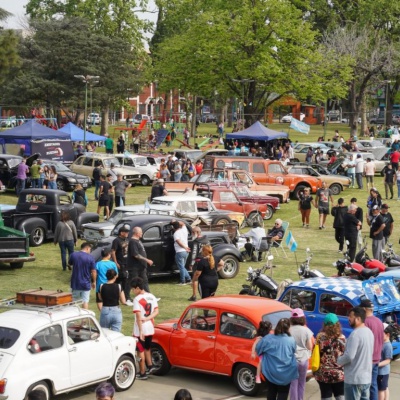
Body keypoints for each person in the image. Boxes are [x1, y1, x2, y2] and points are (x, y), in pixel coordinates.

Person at [256, 318, 298, 400]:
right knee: (283, 393)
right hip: (286, 373)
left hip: (270, 372)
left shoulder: (268, 338)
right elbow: (293, 351)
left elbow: (258, 350)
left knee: (271, 392)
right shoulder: (291, 340)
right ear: (288, 328)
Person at [337, 307, 374, 400]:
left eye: (350, 316)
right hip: (366, 378)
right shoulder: (369, 332)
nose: (348, 319)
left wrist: (339, 360)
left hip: (354, 379)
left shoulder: (355, 334)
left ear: (358, 319)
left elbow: (349, 356)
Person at [131, 276, 159, 380]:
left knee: (140, 351)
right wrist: (148, 319)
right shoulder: (151, 296)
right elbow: (156, 311)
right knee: (147, 348)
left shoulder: (137, 299)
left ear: (138, 288)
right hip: (150, 327)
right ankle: (150, 366)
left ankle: (142, 372)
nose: (132, 291)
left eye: (133, 289)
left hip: (141, 329)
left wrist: (141, 330)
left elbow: (138, 316)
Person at [314, 313, 346, 400]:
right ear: (337, 324)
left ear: (325, 324)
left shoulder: (319, 337)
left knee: (326, 396)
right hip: (339, 373)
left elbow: (315, 353)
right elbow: (345, 354)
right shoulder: (342, 338)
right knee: (340, 396)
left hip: (323, 373)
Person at [360, 298, 384, 400]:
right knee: (373, 385)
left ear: (365, 309)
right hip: (377, 357)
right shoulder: (379, 321)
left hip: (367, 358)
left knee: (364, 386)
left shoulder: (365, 322)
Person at [289, 309, 313, 400]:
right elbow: (310, 346)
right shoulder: (306, 330)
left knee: (293, 384)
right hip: (303, 360)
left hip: (292, 360)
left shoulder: (289, 330)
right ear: (302, 318)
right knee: (302, 383)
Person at [69, 242, 96, 309]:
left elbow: (70, 264)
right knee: (85, 301)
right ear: (87, 248)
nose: (90, 251)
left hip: (75, 282)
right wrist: (94, 281)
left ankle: (73, 315)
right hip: (86, 283)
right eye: (90, 249)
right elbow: (93, 271)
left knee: (74, 301)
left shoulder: (73, 255)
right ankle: (84, 319)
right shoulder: (90, 257)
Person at [127, 226, 153, 293]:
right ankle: (126, 297)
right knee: (132, 281)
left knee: (144, 281)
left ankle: (148, 295)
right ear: (136, 233)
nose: (142, 233)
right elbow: (136, 255)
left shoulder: (138, 241)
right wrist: (147, 260)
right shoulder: (133, 242)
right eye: (141, 232)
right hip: (135, 266)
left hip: (141, 266)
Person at [188, 226, 210, 301]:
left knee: (195, 279)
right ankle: (206, 295)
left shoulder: (196, 241)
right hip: (207, 260)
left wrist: (191, 263)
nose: (192, 234)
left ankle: (194, 295)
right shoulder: (207, 240)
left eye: (193, 232)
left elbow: (194, 253)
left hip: (198, 262)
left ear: (196, 232)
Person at [111, 226, 131, 304]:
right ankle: (120, 296)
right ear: (121, 232)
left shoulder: (127, 240)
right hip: (120, 262)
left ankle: (125, 295)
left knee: (126, 279)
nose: (127, 234)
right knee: (120, 279)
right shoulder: (116, 241)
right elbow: (113, 252)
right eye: (126, 232)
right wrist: (116, 262)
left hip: (127, 262)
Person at [172, 220, 192, 285]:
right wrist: (176, 221)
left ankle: (182, 281)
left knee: (181, 267)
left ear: (173, 227)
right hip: (186, 251)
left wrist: (184, 247)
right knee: (182, 267)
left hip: (180, 251)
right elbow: (183, 223)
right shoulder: (184, 230)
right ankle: (188, 279)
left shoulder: (176, 233)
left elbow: (179, 242)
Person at [378, 324, 393, 400]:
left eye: (382, 333)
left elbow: (388, 360)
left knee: (380, 390)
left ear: (388, 334)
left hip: (382, 372)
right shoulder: (383, 343)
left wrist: (377, 364)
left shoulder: (387, 346)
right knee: (385, 387)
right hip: (382, 372)